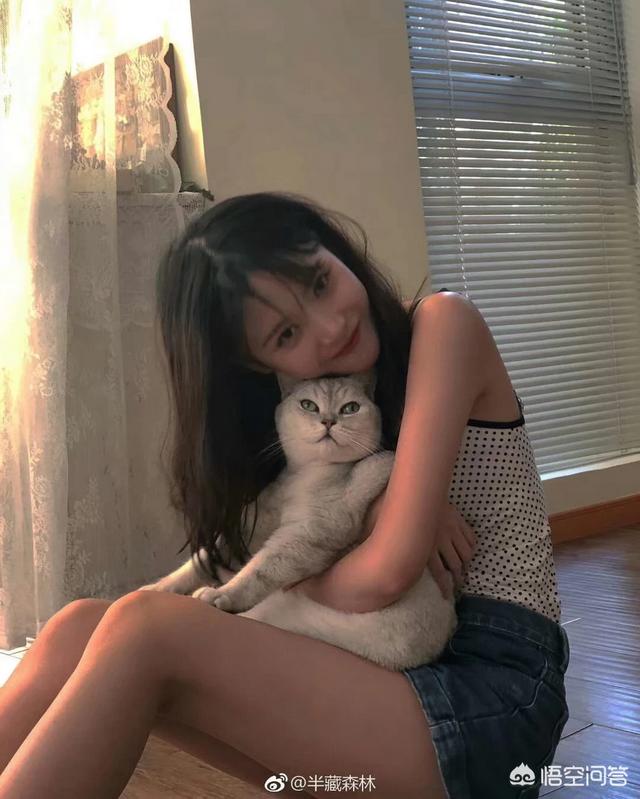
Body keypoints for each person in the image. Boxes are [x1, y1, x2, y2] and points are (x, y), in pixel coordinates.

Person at [0, 191, 570, 799]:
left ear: (335, 247)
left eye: (320, 282)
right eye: (287, 333)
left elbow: (384, 576)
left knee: (148, 627)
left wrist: (286, 572)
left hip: (493, 689)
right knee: (78, 628)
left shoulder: (443, 323)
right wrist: (345, 531)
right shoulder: (309, 405)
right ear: (257, 364)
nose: (330, 327)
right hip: (383, 664)